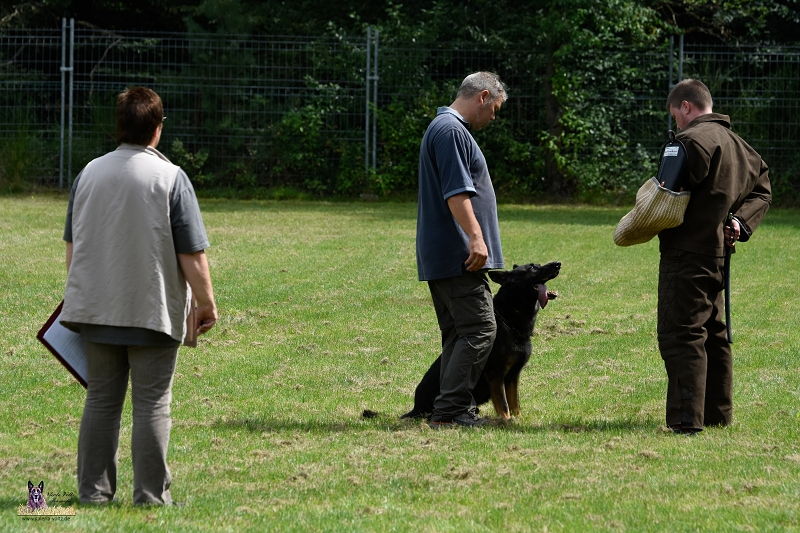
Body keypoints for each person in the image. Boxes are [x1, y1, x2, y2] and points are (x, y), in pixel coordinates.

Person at [61, 86, 218, 504]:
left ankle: (93, 494)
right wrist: (206, 303)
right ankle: (150, 496)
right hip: (152, 311)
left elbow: (73, 252)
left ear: (119, 127)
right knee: (151, 404)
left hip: (96, 311)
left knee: (100, 402)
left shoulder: (87, 174)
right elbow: (192, 253)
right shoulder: (171, 178)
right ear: (157, 129)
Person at [658, 79, 771, 435]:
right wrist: (739, 222)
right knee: (713, 332)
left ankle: (686, 418)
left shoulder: (689, 143)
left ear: (687, 107)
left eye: (675, 115)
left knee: (682, 332)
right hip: (719, 254)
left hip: (687, 253)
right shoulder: (742, 147)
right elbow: (763, 191)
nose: (676, 122)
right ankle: (717, 414)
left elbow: (665, 195)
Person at [416, 72, 507, 429]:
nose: (493, 118)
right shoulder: (452, 131)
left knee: (459, 333)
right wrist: (475, 236)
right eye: (495, 109)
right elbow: (456, 191)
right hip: (459, 254)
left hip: (445, 254)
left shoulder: (443, 128)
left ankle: (450, 408)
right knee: (482, 329)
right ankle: (451, 411)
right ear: (483, 96)